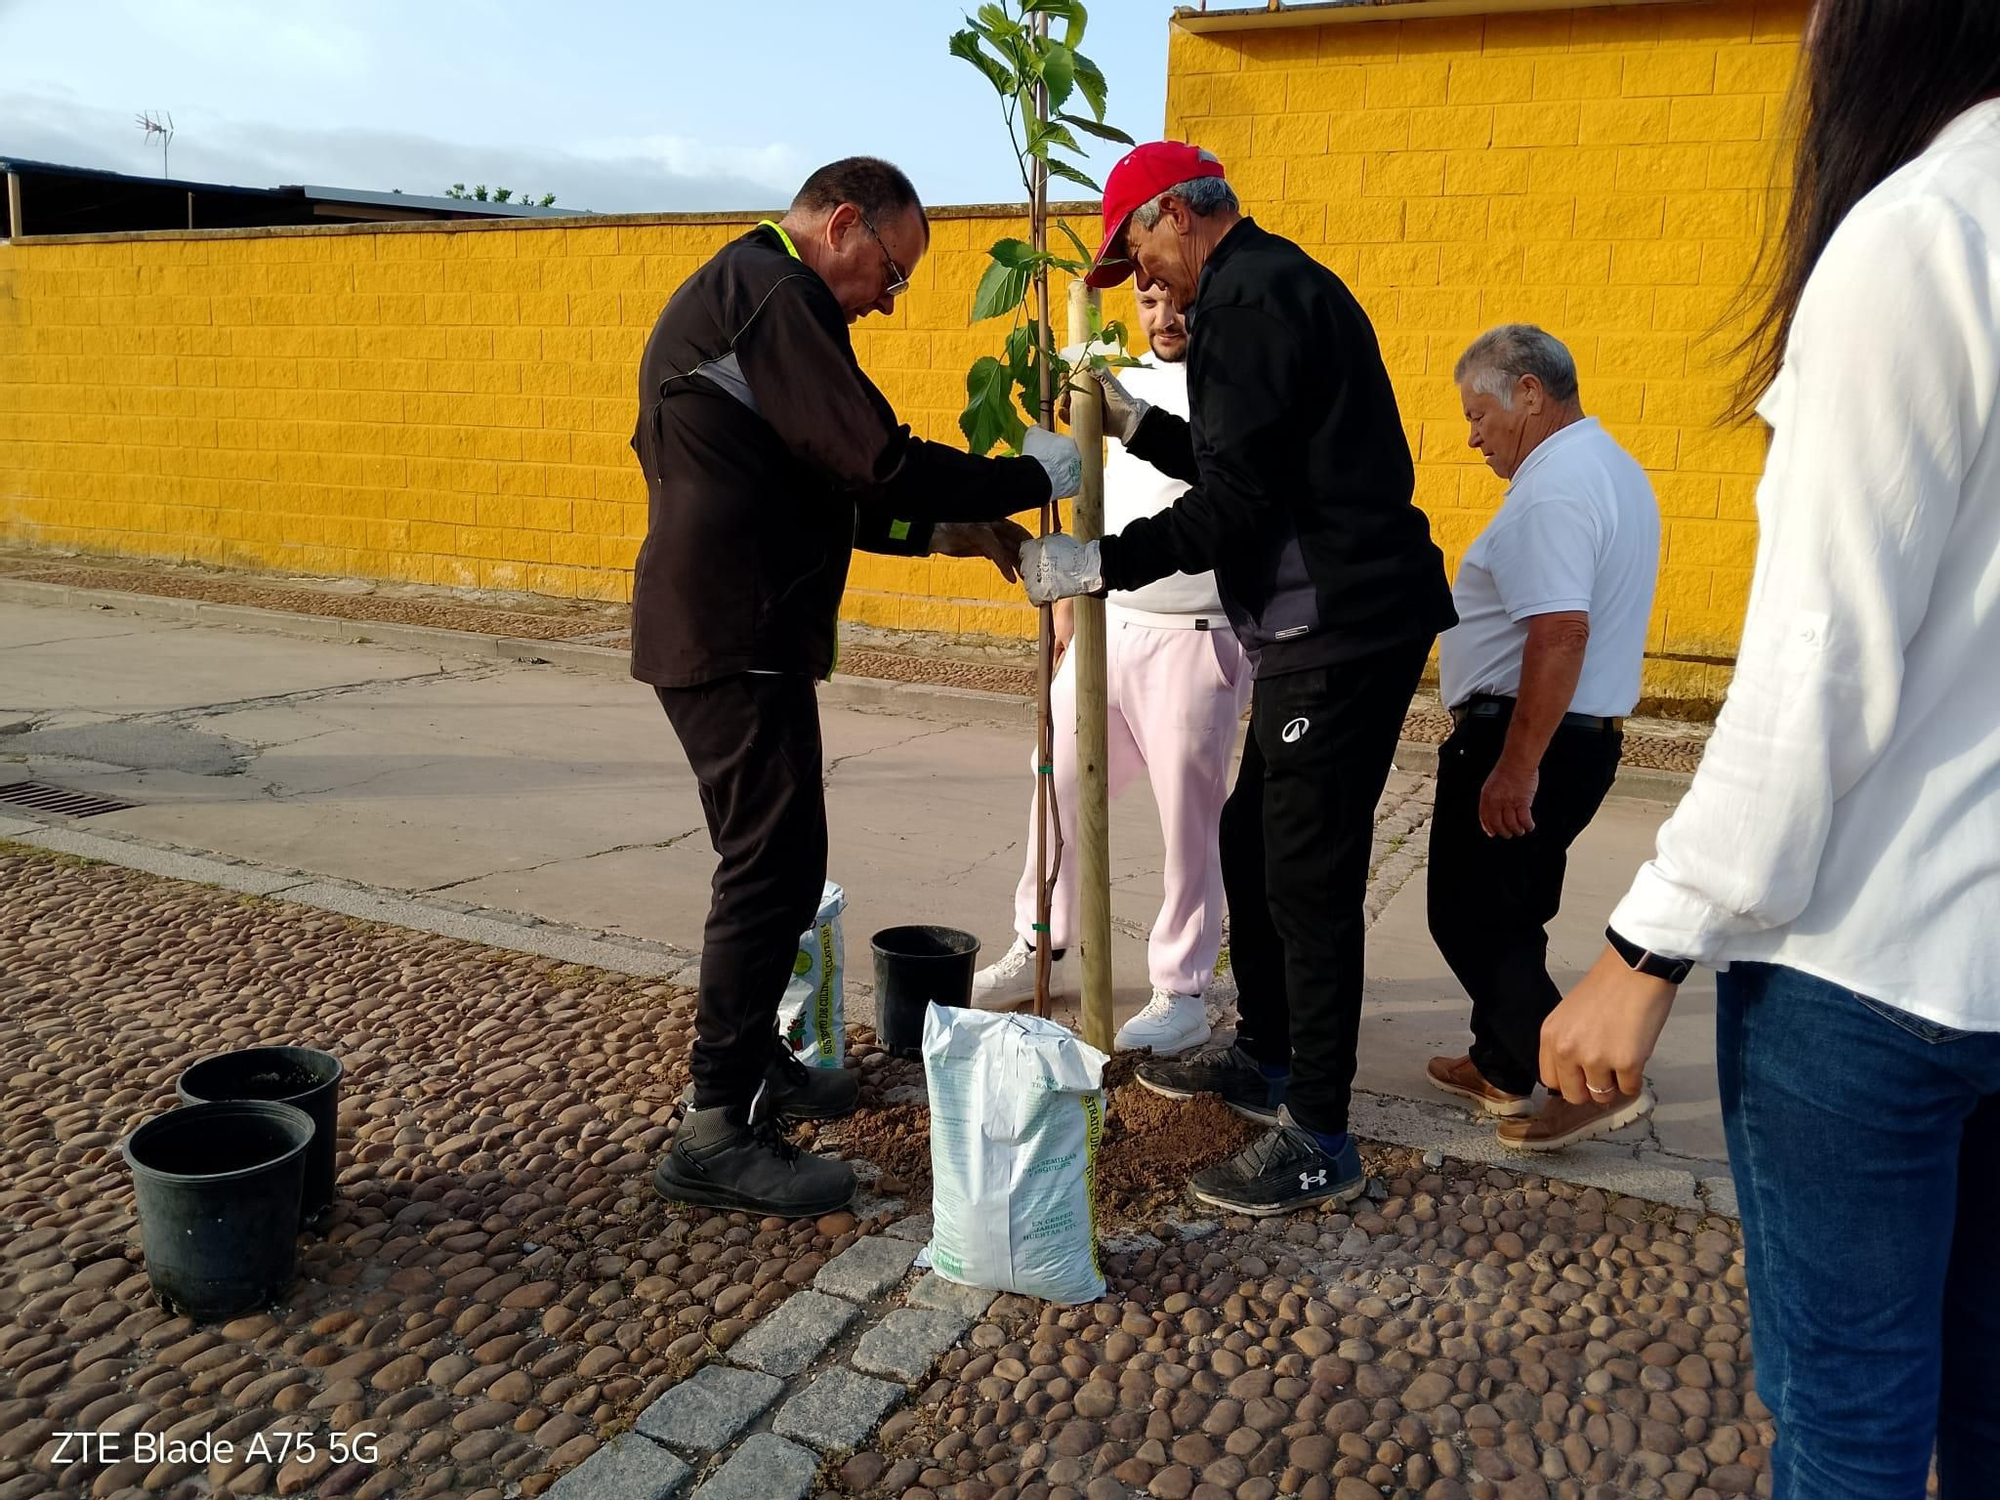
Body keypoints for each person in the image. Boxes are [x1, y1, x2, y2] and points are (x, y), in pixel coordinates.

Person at [1538, 7, 2000, 1493]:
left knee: (1854, 1423)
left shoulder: (1926, 234)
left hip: (1874, 962)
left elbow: (1820, 663)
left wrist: (1645, 946)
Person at [630, 157, 1082, 1218]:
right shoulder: (771, 291)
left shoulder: (761, 297)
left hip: (742, 620)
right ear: (842, 223)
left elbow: (835, 489)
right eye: (892, 270)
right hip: (729, 624)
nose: (891, 296)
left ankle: (755, 1074)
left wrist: (963, 533)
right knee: (766, 868)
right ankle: (710, 1129)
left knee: (785, 867)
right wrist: (1029, 473)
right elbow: (875, 462)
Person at [1023, 141, 1456, 1216]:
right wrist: (1139, 424)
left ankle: (1317, 1129)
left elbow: (1234, 509)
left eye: (1137, 254)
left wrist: (1097, 566)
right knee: (1245, 837)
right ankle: (1262, 1051)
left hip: (1338, 621)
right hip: (1322, 615)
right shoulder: (1267, 285)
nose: (1142, 282)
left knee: (1305, 875)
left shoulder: (1247, 304)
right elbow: (1244, 460)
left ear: (1174, 214)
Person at [971, 285, 1250, 1055]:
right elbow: (1088, 487)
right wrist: (1067, 604)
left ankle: (1182, 985)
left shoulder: (1233, 386)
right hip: (1107, 622)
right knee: (1052, 772)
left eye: (1182, 300)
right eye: (1152, 300)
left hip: (1196, 633)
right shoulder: (1105, 380)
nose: (1167, 317)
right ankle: (1042, 937)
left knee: (1188, 819)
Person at [1424, 325, 1659, 1151]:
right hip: (1573, 737)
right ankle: (1502, 1063)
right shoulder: (1610, 470)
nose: (1472, 434)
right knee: (1513, 910)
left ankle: (1583, 1078)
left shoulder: (1555, 487)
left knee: (1467, 915)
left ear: (1529, 391)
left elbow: (1559, 632)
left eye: (1478, 413)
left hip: (1527, 739)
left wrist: (1515, 766)